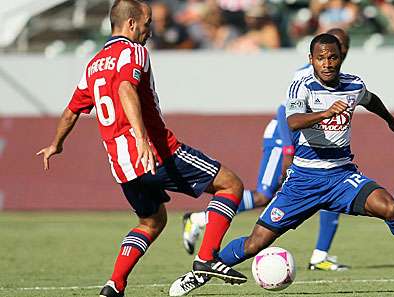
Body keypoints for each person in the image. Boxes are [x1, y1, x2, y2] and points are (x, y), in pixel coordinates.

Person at [169, 33, 394, 296]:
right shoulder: (301, 87)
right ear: (311, 59)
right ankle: (200, 273)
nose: (327, 64)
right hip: (303, 181)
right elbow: (291, 121)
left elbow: (370, 99)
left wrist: (389, 119)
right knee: (256, 243)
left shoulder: (354, 85)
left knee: (390, 208)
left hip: (342, 176)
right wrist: (325, 112)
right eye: (321, 58)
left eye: (333, 57)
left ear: (341, 57)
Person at [36, 1, 246, 297]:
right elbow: (125, 89)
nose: (150, 30)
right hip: (156, 153)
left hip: (122, 167)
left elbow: (72, 111)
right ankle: (207, 257)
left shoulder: (93, 64)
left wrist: (55, 145)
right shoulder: (134, 52)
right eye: (147, 23)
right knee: (231, 185)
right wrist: (141, 138)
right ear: (131, 24)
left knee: (152, 221)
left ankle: (115, 284)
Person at [182, 28, 352, 272]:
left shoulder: (337, 76)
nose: (342, 50)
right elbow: (284, 112)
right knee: (264, 195)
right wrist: (288, 151)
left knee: (330, 191)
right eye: (339, 45)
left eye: (344, 46)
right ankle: (200, 219)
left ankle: (319, 255)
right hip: (284, 138)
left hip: (305, 144)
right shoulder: (307, 74)